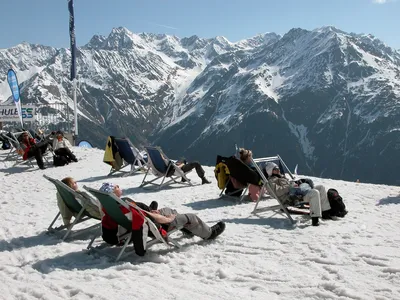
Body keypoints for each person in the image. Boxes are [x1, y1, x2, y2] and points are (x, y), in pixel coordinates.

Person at [99, 182, 226, 255]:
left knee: (168, 210)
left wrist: (150, 212)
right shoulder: (126, 206)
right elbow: (140, 224)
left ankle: (187, 228)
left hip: (143, 221)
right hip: (157, 226)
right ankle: (209, 233)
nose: (118, 186)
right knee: (191, 217)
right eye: (116, 187)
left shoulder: (110, 207)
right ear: (113, 194)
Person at [265, 162, 332, 226]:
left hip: (297, 192)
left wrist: (296, 183)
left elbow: (289, 185)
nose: (278, 170)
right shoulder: (271, 181)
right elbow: (277, 192)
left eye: (278, 168)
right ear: (271, 171)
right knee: (314, 193)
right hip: (292, 198)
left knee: (320, 188)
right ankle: (315, 219)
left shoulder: (281, 177)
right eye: (275, 169)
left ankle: (325, 212)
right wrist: (290, 187)